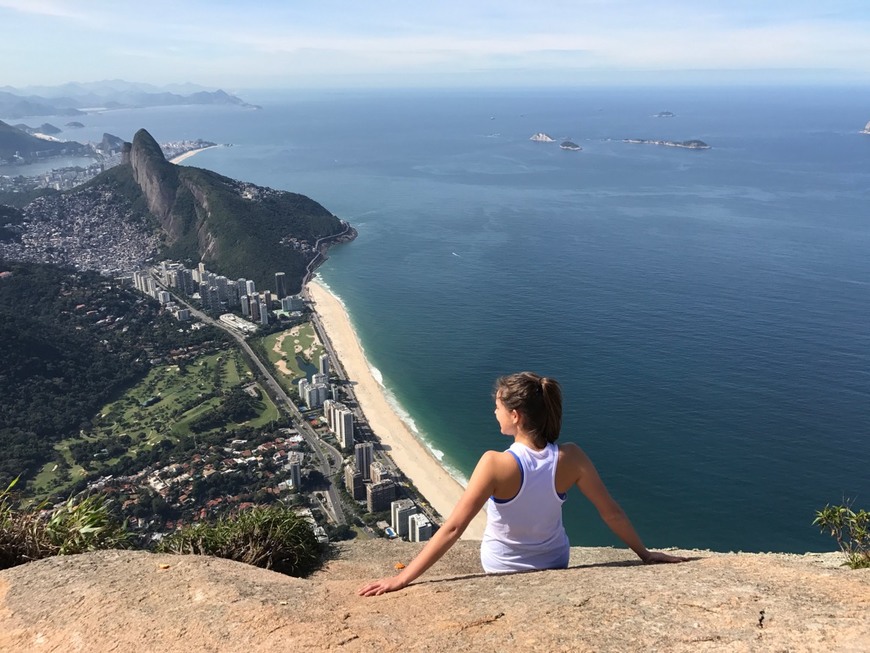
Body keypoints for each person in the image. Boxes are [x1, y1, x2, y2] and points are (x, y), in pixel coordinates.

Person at [358, 371, 687, 596]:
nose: (494, 411)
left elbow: (454, 527)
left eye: (498, 406)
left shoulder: (495, 463)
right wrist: (643, 554)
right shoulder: (571, 457)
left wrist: (402, 578)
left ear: (516, 415)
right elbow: (611, 513)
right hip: (555, 562)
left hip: (502, 568)